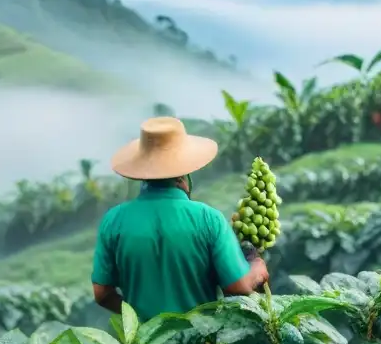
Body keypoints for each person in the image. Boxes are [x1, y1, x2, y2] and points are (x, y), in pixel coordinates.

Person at [91, 117, 270, 320]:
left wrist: (140, 318)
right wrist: (257, 268)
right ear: (183, 174)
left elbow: (102, 293)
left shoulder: (113, 221)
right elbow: (239, 286)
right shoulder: (208, 219)